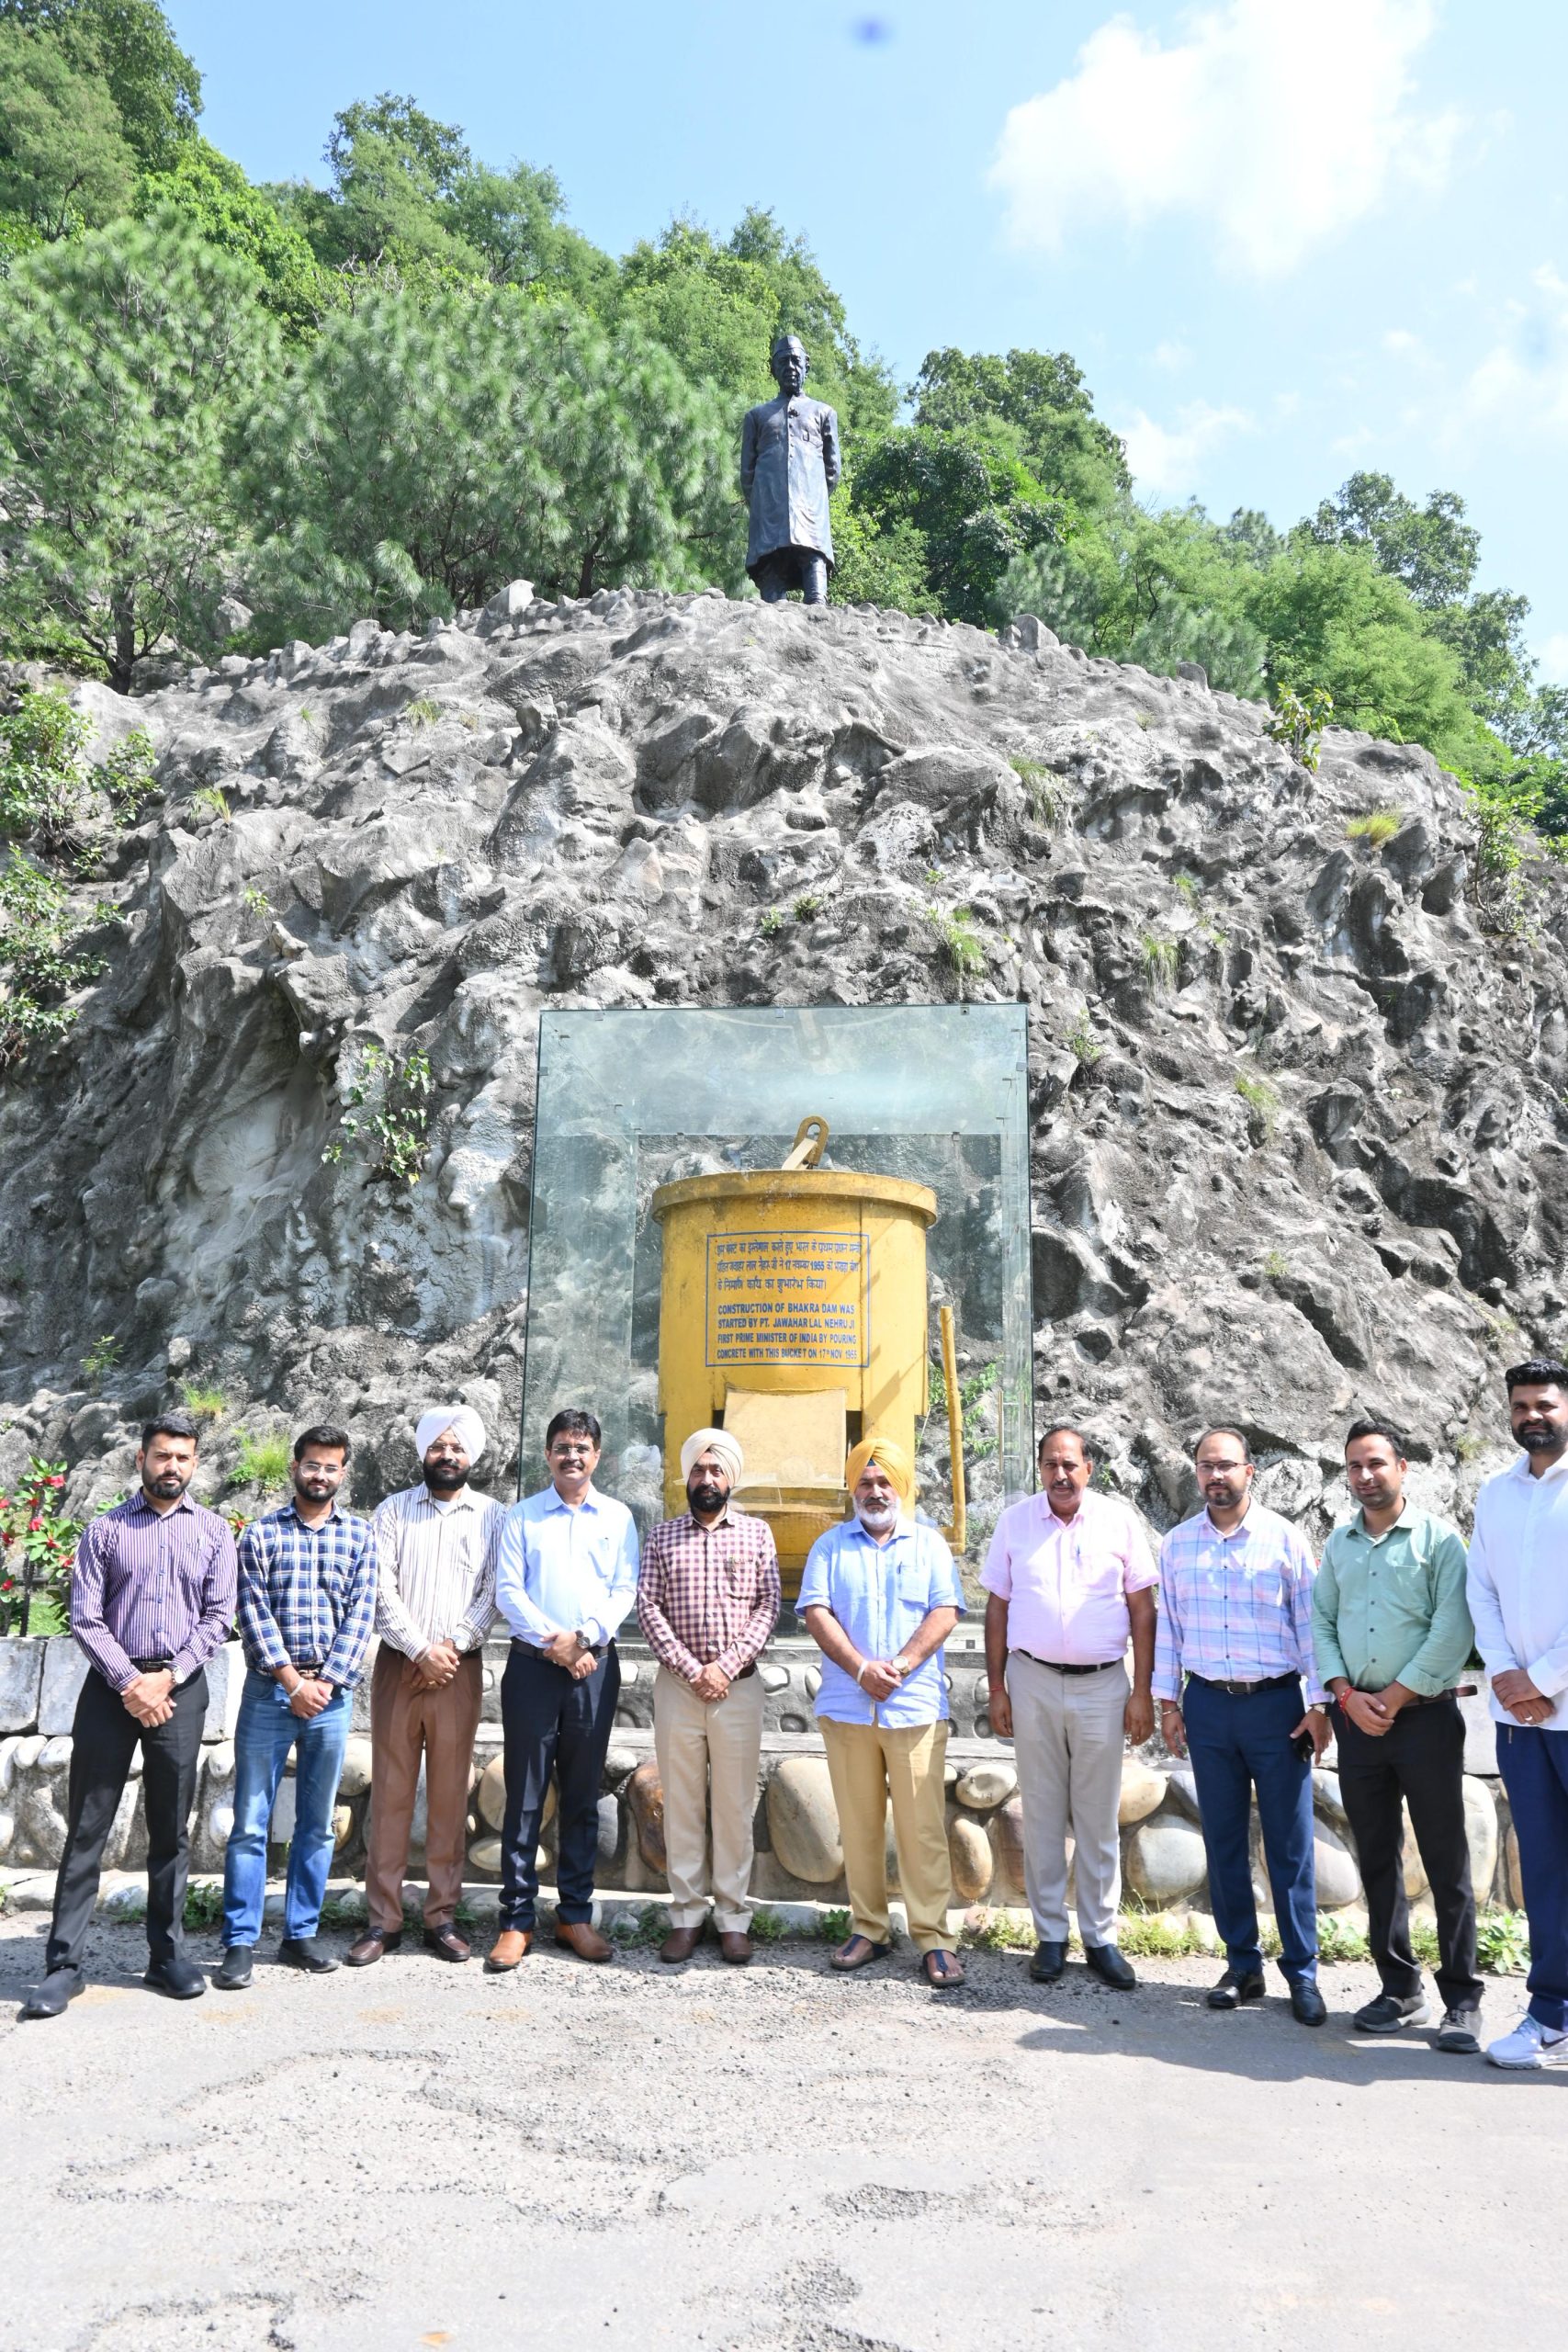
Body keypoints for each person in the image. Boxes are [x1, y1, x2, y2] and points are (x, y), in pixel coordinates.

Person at [19, 1413, 237, 2022]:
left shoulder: (215, 1533)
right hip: (111, 1690)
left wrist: (166, 1678)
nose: (172, 1466)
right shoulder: (105, 1531)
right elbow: (85, 1617)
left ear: (195, 1464)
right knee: (88, 1826)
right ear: (140, 1458)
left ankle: (165, 1956)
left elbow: (219, 1615)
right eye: (162, 1455)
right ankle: (63, 1966)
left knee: (170, 1828)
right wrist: (131, 1682)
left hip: (179, 1688)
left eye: (183, 1458)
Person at [1313, 1418, 1482, 2052]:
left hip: (1425, 1721)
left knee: (1445, 1861)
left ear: (1401, 1466)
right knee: (1376, 1857)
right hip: (1359, 1725)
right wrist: (1344, 1696)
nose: (1364, 1476)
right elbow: (1320, 1622)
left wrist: (1394, 1695)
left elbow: (1451, 1629)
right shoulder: (1339, 1545)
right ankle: (1398, 1988)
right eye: (1354, 1466)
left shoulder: (1438, 1542)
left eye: (1375, 1463)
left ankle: (1461, 1999)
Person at [1155, 1427, 1331, 2026]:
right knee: (1223, 1841)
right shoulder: (1176, 1545)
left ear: (1248, 1471)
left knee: (1288, 1845)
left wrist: (1318, 1705)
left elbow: (1310, 1628)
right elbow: (1167, 1631)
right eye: (1205, 1466)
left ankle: (1301, 1973)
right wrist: (1167, 1704)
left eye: (1226, 1465)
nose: (1215, 1476)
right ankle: (1241, 1965)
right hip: (1207, 1707)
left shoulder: (1283, 1540)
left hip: (1276, 1708)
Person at [984, 1424, 1156, 1990]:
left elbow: (1142, 1609)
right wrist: (999, 1688)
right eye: (1051, 1464)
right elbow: (997, 1608)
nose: (1061, 1474)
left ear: (1089, 1468)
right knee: (1041, 1813)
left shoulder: (1118, 1522)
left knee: (1097, 1816)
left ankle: (1102, 1938)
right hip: (1031, 1681)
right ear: (1041, 1468)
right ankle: (1050, 1936)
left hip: (1102, 1686)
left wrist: (1141, 1692)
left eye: (1070, 1464)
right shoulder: (1015, 1523)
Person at [799, 1436, 966, 1988]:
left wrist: (899, 1663)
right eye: (865, 1482)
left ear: (902, 1487)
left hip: (914, 1706)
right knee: (859, 1825)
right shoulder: (830, 1546)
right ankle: (868, 1928)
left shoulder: (930, 1545)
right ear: (853, 1489)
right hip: (849, 1706)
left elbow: (946, 1610)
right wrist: (860, 1669)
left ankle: (934, 1938)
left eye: (884, 1481)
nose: (875, 1491)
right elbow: (817, 1612)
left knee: (922, 1830)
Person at [215, 1425, 378, 1991]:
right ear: (295, 1466)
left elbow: (362, 1615)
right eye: (312, 1465)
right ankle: (239, 1940)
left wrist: (325, 1683)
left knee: (317, 1824)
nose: (320, 1475)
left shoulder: (360, 1536)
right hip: (268, 1693)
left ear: (343, 1472)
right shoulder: (259, 1535)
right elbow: (251, 1613)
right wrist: (290, 1680)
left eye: (331, 1467)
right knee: (251, 1823)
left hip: (331, 1699)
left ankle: (299, 1934)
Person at [344, 1407, 502, 1969]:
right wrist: (418, 1649)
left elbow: (493, 1590)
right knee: (389, 1794)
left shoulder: (492, 1516)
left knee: (447, 1796)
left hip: (458, 1669)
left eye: (457, 1448)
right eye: (439, 1446)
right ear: (423, 1453)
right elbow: (378, 1586)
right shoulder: (391, 1512)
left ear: (472, 1456)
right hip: (399, 1666)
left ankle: (441, 1915)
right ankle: (383, 1920)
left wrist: (450, 1647)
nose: (448, 1455)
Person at [486, 1409, 639, 1970]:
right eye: (561, 1447)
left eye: (581, 1447)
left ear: (596, 1456)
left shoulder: (618, 1518)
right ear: (546, 1454)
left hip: (594, 1670)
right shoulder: (523, 1516)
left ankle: (575, 1915)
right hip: (533, 1668)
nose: (571, 1456)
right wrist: (558, 1645)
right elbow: (508, 1590)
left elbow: (625, 1587)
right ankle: (516, 1921)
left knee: (580, 1795)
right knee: (524, 1796)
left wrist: (586, 1640)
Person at [636, 1427, 781, 1966]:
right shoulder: (662, 1537)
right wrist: (691, 1668)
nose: (706, 1478)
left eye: (716, 1470)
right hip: (678, 1688)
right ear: (687, 1477)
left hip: (737, 1690)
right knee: (683, 1805)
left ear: (731, 1479)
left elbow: (769, 1605)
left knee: (735, 1807)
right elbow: (648, 1607)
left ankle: (733, 1917)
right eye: (698, 1469)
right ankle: (686, 1915)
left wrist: (724, 1666)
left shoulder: (757, 1535)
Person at [1466, 1358, 1568, 2070]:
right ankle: (1550, 2012)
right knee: (1545, 1869)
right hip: (1521, 1722)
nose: (1531, 1415)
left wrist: (1539, 1678)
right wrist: (1504, 1675)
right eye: (1520, 1405)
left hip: (1553, 1704)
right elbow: (1481, 1591)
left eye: (1544, 1403)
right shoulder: (1494, 1495)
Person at [739, 334, 841, 605]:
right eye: (783, 361)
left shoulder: (824, 413)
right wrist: (765, 500)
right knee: (772, 593)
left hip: (810, 513)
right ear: (772, 368)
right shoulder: (757, 416)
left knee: (816, 590)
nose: (790, 367)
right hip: (769, 515)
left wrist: (811, 495)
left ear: (807, 365)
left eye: (796, 361)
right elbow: (747, 474)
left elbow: (832, 469)